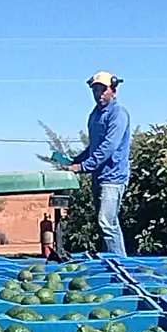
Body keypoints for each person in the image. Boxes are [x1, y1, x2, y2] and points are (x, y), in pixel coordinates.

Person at [63, 71, 131, 256]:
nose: (99, 94)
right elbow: (94, 146)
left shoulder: (118, 114)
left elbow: (109, 147)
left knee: (106, 222)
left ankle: (120, 264)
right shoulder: (94, 115)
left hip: (113, 177)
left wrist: (82, 167)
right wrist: (76, 160)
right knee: (108, 223)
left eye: (103, 89)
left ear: (113, 90)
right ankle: (113, 259)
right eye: (95, 90)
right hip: (98, 176)